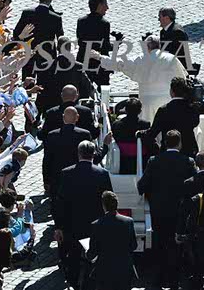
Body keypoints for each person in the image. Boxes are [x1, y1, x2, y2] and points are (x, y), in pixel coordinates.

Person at [137, 130, 197, 290]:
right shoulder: (188, 162)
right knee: (176, 247)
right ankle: (174, 282)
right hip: (180, 212)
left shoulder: (154, 161)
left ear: (164, 143)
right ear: (180, 143)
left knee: (159, 246)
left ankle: (157, 281)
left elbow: (141, 186)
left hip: (159, 211)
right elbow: (195, 184)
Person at [53, 141, 113, 290]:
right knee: (93, 259)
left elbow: (59, 202)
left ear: (78, 153)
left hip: (71, 224)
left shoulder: (66, 173)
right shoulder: (102, 174)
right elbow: (108, 200)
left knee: (73, 258)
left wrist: (58, 227)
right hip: (94, 224)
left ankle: (74, 283)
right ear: (93, 154)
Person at [96, 36, 187, 122]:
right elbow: (183, 78)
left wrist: (100, 57)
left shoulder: (141, 58)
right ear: (159, 46)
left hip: (147, 101)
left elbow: (120, 64)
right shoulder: (171, 58)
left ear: (147, 47)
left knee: (149, 125)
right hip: (167, 98)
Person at [139, 76, 200, 157]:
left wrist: (140, 133)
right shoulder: (192, 109)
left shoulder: (163, 110)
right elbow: (195, 123)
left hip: (167, 152)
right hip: (189, 150)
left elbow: (153, 132)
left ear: (171, 91)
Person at [88, 191, 137, 290]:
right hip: (124, 269)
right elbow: (133, 246)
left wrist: (87, 254)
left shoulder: (96, 225)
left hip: (105, 271)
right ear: (117, 204)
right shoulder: (128, 221)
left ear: (103, 206)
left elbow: (92, 253)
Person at [12, 0, 64, 79]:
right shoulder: (56, 18)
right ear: (51, 0)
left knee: (27, 81)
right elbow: (60, 38)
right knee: (45, 82)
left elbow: (17, 32)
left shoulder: (27, 13)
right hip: (47, 55)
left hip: (28, 53)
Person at [43, 107, 92, 198]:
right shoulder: (84, 134)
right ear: (77, 117)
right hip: (77, 176)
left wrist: (46, 180)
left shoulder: (52, 135)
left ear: (63, 117)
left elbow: (47, 159)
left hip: (57, 177)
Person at [77, 0, 113, 87]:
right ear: (100, 6)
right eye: (105, 5)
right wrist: (116, 44)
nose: (107, 8)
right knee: (104, 89)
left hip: (84, 61)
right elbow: (105, 46)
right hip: (99, 64)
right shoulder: (105, 24)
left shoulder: (81, 21)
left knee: (83, 89)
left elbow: (80, 42)